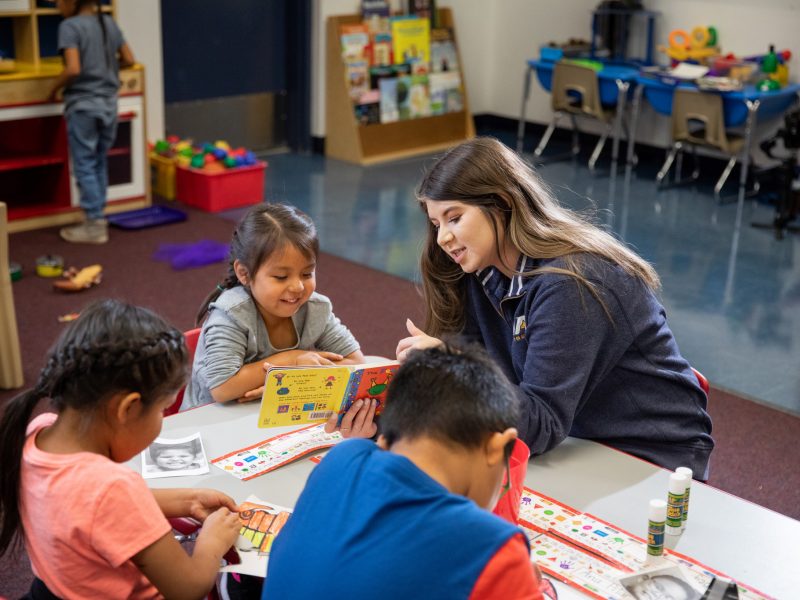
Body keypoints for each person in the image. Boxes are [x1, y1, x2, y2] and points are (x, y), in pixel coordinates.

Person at [396, 137, 714, 478]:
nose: (443, 237)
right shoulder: (478, 271)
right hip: (568, 436)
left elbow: (540, 423)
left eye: (454, 218)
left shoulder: (570, 283)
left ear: (502, 203)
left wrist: (452, 366)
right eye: (435, 224)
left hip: (646, 451)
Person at [262, 343, 544, 600]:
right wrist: (517, 577)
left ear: (386, 435)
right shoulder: (495, 550)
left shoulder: (340, 459)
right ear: (500, 446)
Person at [0, 299, 241, 599]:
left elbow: (90, 508)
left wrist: (187, 499)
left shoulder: (38, 431)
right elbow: (188, 589)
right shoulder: (113, 487)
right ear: (126, 409)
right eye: (163, 410)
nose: (161, 421)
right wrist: (211, 543)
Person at [184, 203, 376, 438]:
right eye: (281, 276)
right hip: (209, 426)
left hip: (274, 420)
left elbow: (357, 364)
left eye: (307, 274)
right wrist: (291, 360)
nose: (297, 287)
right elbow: (223, 388)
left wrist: (287, 382)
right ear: (245, 274)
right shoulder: (231, 314)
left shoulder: (315, 308)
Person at [47, 0, 136, 244]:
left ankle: (94, 224)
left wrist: (52, 88)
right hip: (108, 104)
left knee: (85, 162)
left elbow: (73, 68)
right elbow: (129, 58)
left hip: (84, 104)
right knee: (98, 160)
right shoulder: (107, 22)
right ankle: (97, 217)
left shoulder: (69, 26)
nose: (56, 4)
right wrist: (104, 69)